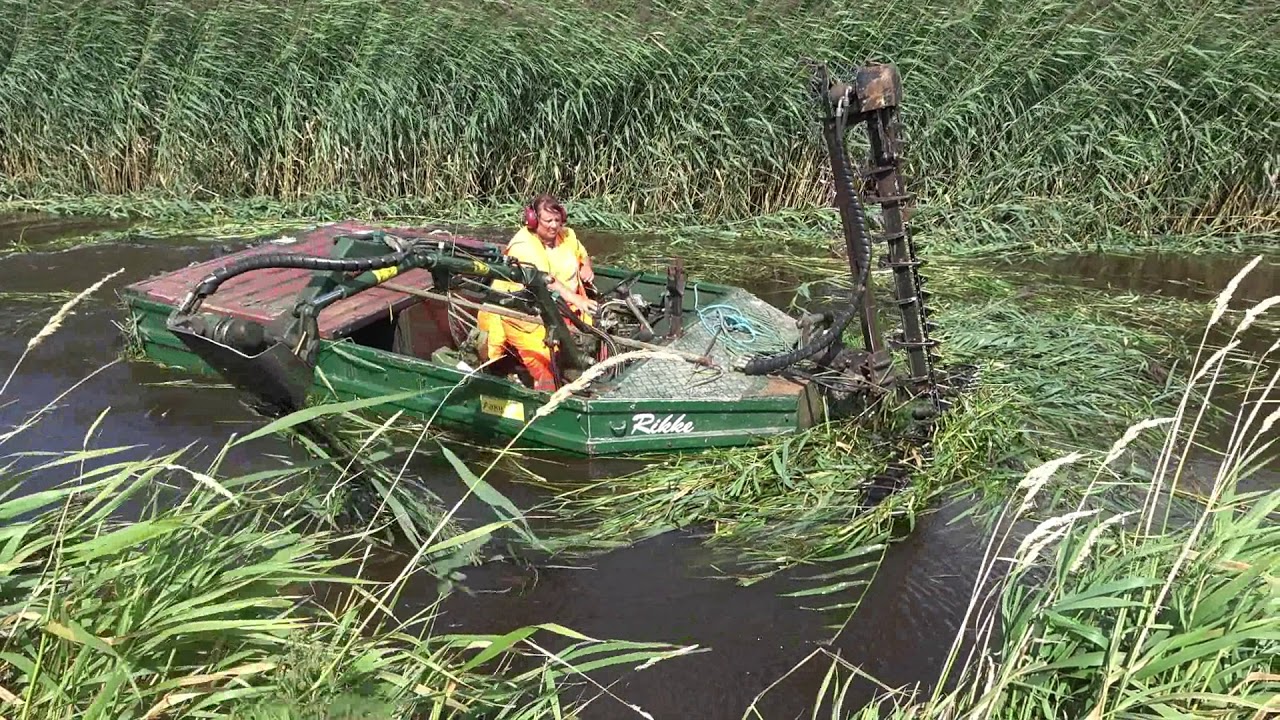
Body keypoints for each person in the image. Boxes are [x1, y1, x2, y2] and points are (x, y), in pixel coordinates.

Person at [476, 194, 597, 391]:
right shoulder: (523, 245)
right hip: (524, 318)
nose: (553, 226)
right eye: (548, 220)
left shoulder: (567, 236)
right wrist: (576, 298)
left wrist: (586, 267)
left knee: (592, 336)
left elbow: (582, 255)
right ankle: (546, 403)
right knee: (547, 367)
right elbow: (544, 280)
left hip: (561, 308)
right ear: (533, 220)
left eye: (557, 220)